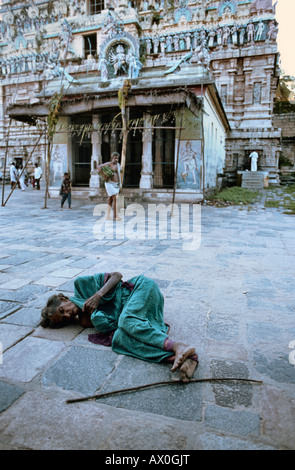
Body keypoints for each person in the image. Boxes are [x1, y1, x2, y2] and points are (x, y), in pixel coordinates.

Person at [40, 272, 199, 382]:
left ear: (62, 299)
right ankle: (183, 358)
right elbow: (112, 325)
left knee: (125, 320)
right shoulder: (84, 320)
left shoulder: (81, 285)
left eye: (62, 310)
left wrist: (97, 296)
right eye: (63, 319)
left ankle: (178, 346)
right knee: (119, 338)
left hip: (140, 290)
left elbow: (117, 276)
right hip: (134, 314)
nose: (67, 315)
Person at [98, 152, 122, 221]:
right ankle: (115, 216)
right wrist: (104, 175)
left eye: (117, 158)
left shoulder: (118, 165)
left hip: (116, 184)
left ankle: (107, 216)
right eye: (115, 158)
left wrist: (120, 185)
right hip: (109, 184)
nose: (116, 159)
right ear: (112, 158)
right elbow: (99, 167)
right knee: (115, 198)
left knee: (110, 200)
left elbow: (119, 175)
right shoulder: (109, 164)